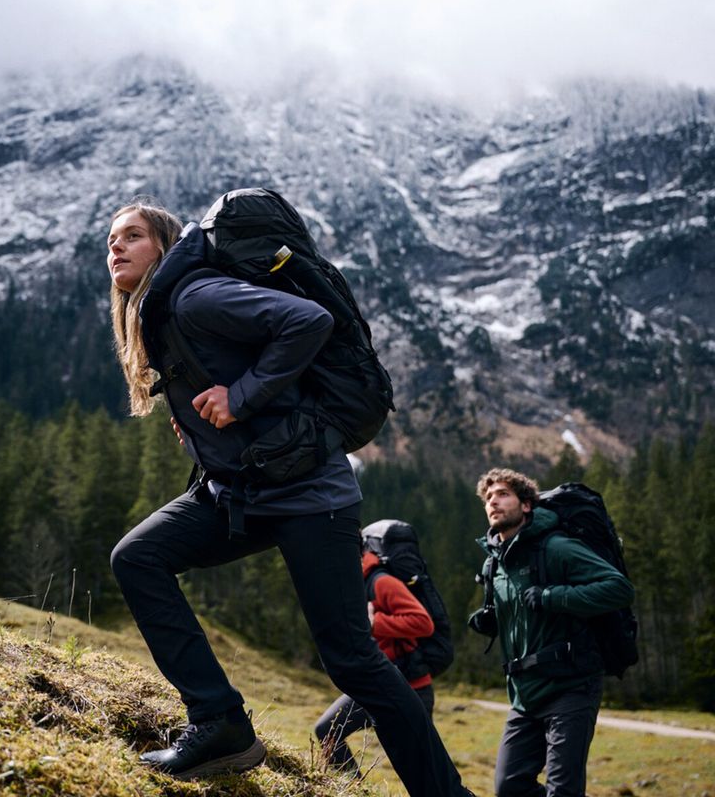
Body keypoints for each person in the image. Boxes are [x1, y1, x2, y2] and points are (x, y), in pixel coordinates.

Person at [105, 197, 473, 796]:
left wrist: (240, 396)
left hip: (309, 497)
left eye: (132, 236)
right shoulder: (165, 316)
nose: (115, 248)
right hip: (242, 495)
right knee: (139, 557)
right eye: (111, 240)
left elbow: (308, 321)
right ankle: (220, 723)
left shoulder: (193, 297)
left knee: (353, 660)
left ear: (166, 246)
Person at [473, 468, 635, 797]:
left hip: (572, 683)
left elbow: (618, 588)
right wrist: (489, 619)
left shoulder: (556, 548)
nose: (494, 502)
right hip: (523, 695)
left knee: (563, 791)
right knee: (510, 786)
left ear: (527, 505)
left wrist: (553, 597)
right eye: (488, 498)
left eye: (503, 494)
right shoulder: (495, 564)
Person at [314, 522, 437, 778]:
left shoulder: (382, 582)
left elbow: (423, 623)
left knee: (420, 768)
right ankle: (355, 790)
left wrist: (375, 622)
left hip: (411, 686)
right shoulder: (352, 584)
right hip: (374, 683)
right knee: (327, 731)